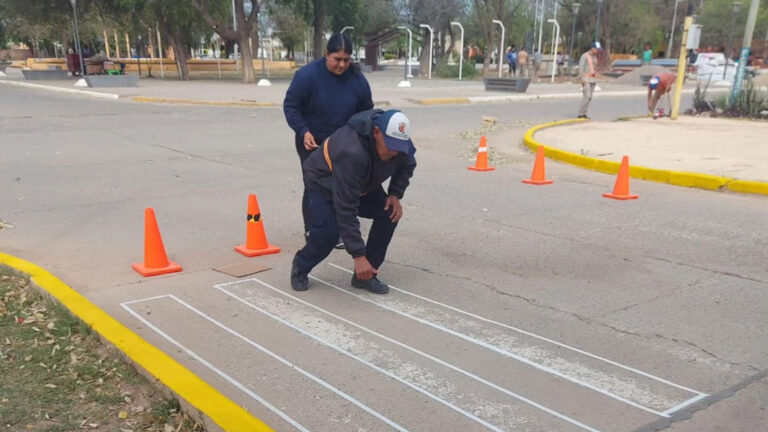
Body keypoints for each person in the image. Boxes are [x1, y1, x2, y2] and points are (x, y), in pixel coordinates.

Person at [290, 109, 417, 295]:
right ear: (376, 132)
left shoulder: (399, 144)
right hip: (324, 183)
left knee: (389, 212)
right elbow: (346, 207)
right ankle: (301, 266)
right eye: (390, 146)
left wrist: (394, 194)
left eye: (398, 147)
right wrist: (358, 255)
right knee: (328, 234)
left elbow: (408, 164)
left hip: (361, 183)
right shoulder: (351, 151)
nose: (394, 152)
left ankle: (365, 275)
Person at [284, 33, 374, 248]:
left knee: (342, 185)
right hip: (312, 141)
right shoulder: (307, 76)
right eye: (337, 59)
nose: (342, 65)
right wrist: (303, 131)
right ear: (326, 54)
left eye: (346, 60)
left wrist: (361, 138)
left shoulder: (357, 80)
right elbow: (291, 106)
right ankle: (313, 230)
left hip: (344, 143)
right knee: (315, 185)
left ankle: (340, 231)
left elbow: (366, 111)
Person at [578, 42, 601, 119]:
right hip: (586, 79)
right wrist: (581, 79)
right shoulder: (585, 56)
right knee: (586, 96)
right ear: (592, 48)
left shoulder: (595, 57)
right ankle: (580, 113)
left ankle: (584, 113)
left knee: (590, 97)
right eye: (597, 49)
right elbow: (581, 67)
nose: (597, 51)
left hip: (593, 80)